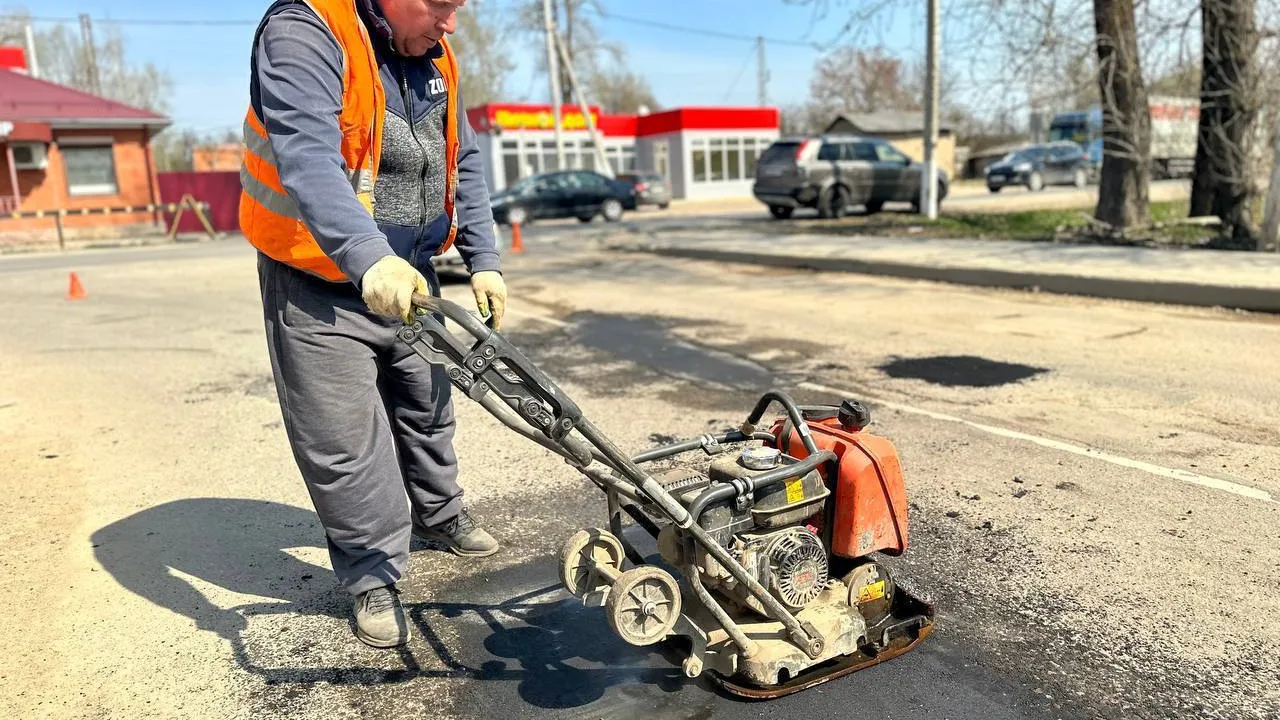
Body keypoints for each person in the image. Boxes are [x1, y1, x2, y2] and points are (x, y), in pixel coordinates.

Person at [240, 0, 504, 649]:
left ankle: (438, 515)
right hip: (318, 280)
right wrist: (367, 257)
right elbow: (307, 158)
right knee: (344, 439)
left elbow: (463, 159)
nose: (451, 24)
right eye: (440, 5)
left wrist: (485, 260)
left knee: (428, 406)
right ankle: (372, 571)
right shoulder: (306, 30)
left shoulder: (435, 54)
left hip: (410, 276)